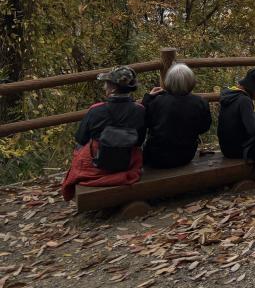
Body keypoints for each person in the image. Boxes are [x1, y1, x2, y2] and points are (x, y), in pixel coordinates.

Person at [61, 66, 146, 200]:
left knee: (81, 151)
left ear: (113, 88)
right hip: (128, 160)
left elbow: (81, 139)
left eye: (107, 83)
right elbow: (140, 140)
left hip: (99, 163)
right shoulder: (140, 110)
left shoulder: (96, 110)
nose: (104, 87)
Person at [141, 63, 212, 169]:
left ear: (168, 81)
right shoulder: (200, 102)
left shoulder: (156, 101)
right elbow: (204, 128)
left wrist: (147, 98)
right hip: (185, 156)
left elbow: (142, 122)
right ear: (190, 82)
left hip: (156, 157)